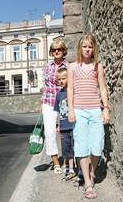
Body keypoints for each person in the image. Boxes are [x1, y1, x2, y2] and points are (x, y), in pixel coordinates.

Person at [67, 34, 110, 199]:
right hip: (79, 111)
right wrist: (71, 110)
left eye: (90, 47)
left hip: (95, 111)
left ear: (94, 49)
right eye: (84, 46)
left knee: (97, 145)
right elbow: (70, 89)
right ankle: (88, 183)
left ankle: (92, 170)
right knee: (82, 147)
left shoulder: (97, 67)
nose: (87, 49)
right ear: (80, 48)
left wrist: (105, 109)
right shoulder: (72, 67)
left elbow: (103, 88)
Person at [41, 39, 68, 174]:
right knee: (49, 132)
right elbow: (46, 86)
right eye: (54, 50)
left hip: (64, 101)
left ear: (63, 51)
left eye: (59, 49)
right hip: (49, 102)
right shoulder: (47, 66)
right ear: (51, 52)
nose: (56, 51)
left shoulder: (68, 66)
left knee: (67, 131)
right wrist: (42, 103)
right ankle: (56, 161)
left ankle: (70, 159)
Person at [53, 68, 76, 180]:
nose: (61, 81)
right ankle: (70, 168)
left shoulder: (72, 91)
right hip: (63, 126)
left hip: (73, 125)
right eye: (59, 79)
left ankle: (79, 169)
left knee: (76, 147)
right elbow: (57, 111)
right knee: (66, 149)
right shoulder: (58, 95)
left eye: (63, 79)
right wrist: (57, 125)